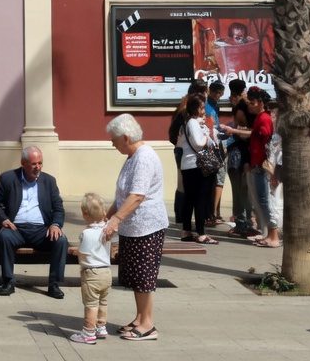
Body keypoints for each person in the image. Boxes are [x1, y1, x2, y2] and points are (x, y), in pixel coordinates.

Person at [102, 113, 167, 342]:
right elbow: (123, 195)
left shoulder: (144, 157)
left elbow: (137, 196)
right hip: (134, 227)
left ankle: (148, 325)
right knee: (136, 276)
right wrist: (107, 216)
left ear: (126, 138)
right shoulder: (132, 156)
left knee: (144, 277)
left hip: (146, 227)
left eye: (114, 139)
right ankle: (139, 318)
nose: (112, 143)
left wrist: (115, 220)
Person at [0, 146, 68, 298]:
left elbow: (59, 208)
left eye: (40, 163)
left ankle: (54, 285)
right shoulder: (8, 178)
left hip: (41, 230)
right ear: (23, 163)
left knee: (61, 240)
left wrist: (55, 224)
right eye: (33, 164)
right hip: (15, 228)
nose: (37, 167)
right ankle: (8, 282)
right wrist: (4, 219)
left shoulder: (49, 181)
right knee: (4, 237)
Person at [226, 87, 280, 248]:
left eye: (252, 102)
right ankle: (270, 234)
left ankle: (273, 236)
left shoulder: (264, 119)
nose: (250, 105)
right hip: (258, 164)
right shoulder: (261, 117)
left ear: (261, 103)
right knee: (262, 200)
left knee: (265, 201)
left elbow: (265, 139)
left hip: (261, 165)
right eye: (249, 102)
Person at [69, 192, 115, 344]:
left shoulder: (86, 233)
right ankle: (101, 327)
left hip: (92, 274)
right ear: (103, 211)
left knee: (91, 304)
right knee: (103, 301)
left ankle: (88, 332)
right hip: (107, 272)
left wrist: (74, 251)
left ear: (84, 214)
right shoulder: (107, 230)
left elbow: (84, 254)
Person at [178, 94, 219, 245]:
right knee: (200, 199)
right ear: (196, 108)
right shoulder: (193, 123)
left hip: (190, 165)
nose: (204, 110)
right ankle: (201, 233)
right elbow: (198, 143)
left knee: (190, 199)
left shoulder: (189, 123)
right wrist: (206, 134)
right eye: (202, 107)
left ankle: (186, 231)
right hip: (197, 166)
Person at [224, 100, 257, 237]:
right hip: (239, 161)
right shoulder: (246, 119)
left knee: (243, 194)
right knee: (241, 193)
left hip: (242, 161)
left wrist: (234, 130)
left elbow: (248, 135)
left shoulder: (249, 121)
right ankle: (243, 223)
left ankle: (245, 223)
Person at [206, 80, 227, 225]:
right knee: (218, 180)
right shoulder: (207, 106)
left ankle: (216, 213)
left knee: (217, 181)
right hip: (215, 146)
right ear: (210, 91)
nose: (218, 96)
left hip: (218, 141)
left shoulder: (214, 105)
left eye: (220, 93)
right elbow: (211, 127)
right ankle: (212, 214)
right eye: (216, 93)